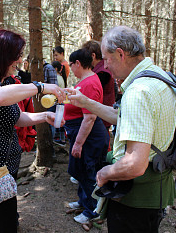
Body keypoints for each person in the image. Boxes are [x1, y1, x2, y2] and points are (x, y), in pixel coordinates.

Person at [66, 26, 176, 232]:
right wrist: (86, 102)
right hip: (156, 189)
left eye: (107, 59)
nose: (106, 66)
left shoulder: (138, 92)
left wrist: (106, 172)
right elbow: (126, 118)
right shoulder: (159, 77)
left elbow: (134, 164)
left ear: (120, 54)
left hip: (135, 195)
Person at [0, 29, 65, 233]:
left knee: (8, 220)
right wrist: (39, 86)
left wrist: (44, 117)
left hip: (6, 167)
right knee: (3, 225)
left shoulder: (3, 82)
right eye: (17, 56)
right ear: (3, 55)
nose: (20, 61)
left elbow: (17, 118)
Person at [64, 49, 109, 224]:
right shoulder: (84, 81)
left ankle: (93, 211)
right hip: (81, 131)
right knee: (81, 171)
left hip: (89, 136)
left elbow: (89, 117)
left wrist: (78, 143)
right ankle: (84, 202)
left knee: (89, 171)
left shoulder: (90, 82)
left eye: (71, 65)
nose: (71, 69)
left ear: (77, 63)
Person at [82, 40, 115, 131]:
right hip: (101, 116)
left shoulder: (102, 72)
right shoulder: (99, 70)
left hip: (101, 118)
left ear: (93, 56)